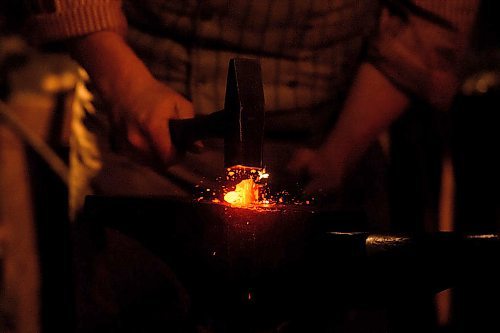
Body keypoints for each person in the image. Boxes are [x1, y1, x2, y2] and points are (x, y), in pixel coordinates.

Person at [22, 1, 480, 332]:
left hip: (336, 127)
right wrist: (126, 85)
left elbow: (435, 18)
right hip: (141, 112)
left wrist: (341, 149)